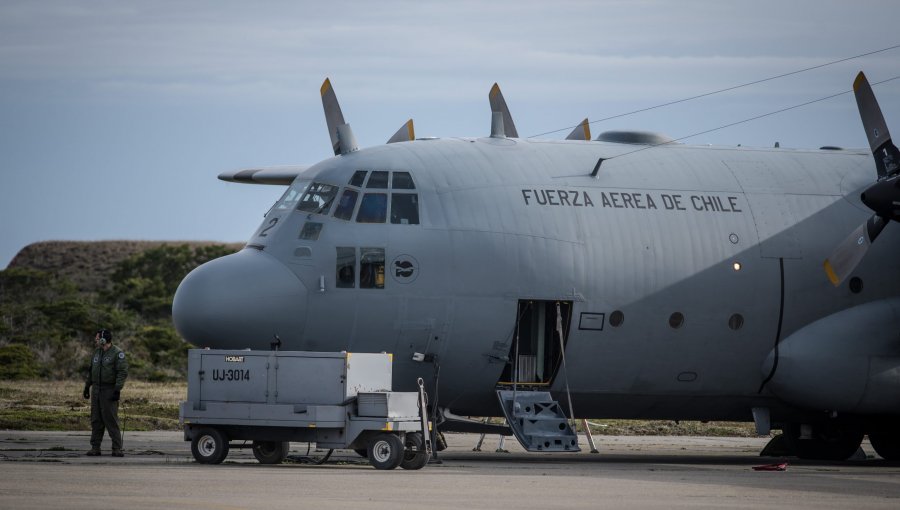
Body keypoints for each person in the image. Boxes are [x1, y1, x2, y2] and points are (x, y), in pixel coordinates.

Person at [82, 329, 129, 457]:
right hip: (96, 390)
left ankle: (117, 448)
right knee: (96, 419)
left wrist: (117, 390)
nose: (95, 340)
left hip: (109, 390)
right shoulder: (97, 353)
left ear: (103, 339)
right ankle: (95, 447)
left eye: (97, 338)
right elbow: (91, 371)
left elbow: (122, 373)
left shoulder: (117, 353)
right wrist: (87, 387)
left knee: (111, 420)